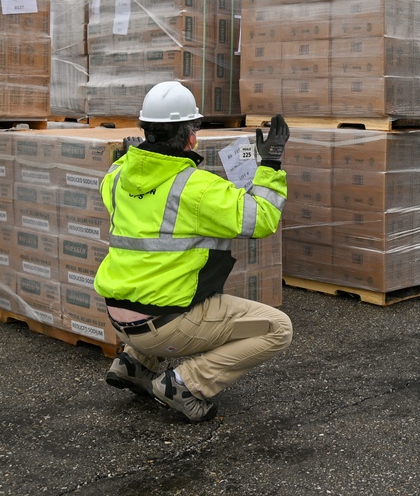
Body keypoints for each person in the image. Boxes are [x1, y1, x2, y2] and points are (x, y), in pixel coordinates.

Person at [93, 80, 292, 423]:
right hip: (164, 327)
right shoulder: (197, 188)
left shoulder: (117, 176)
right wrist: (270, 164)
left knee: (160, 281)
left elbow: (119, 175)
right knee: (278, 328)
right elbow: (261, 219)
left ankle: (134, 365)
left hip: (119, 319)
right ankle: (186, 384)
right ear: (190, 136)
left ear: (146, 131)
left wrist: (128, 157)